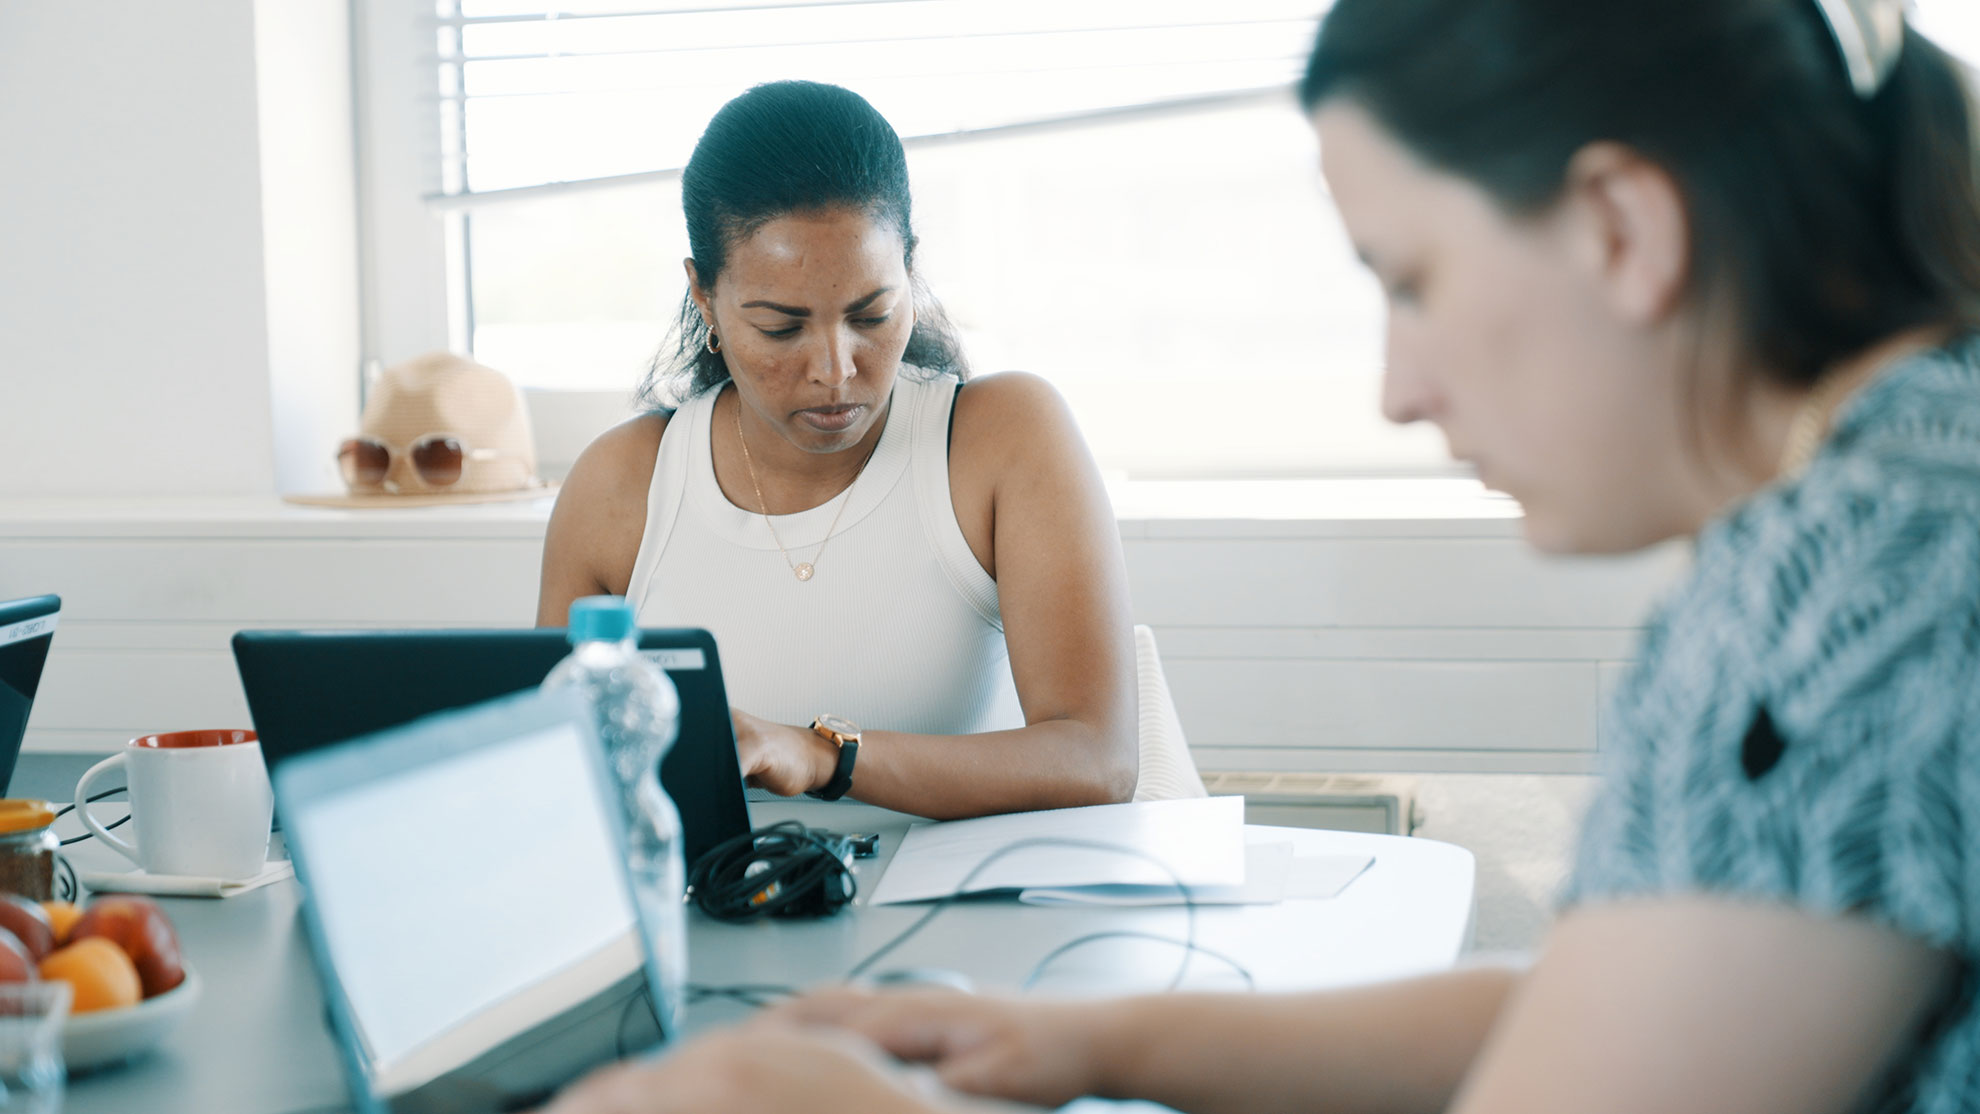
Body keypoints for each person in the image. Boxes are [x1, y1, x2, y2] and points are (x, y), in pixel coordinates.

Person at [541, 0, 1980, 1110]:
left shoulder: (1847, 601)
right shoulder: (1899, 510)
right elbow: (1615, 1014)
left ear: (1622, 226)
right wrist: (1066, 1038)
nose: (1398, 389)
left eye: (1411, 281)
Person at [538, 81, 1137, 819]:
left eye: (872, 313)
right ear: (704, 298)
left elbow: (1097, 758)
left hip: (959, 923)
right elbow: (556, 775)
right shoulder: (621, 486)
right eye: (781, 327)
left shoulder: (1001, 438)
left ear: (910, 273)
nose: (835, 368)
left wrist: (824, 756)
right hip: (722, 913)